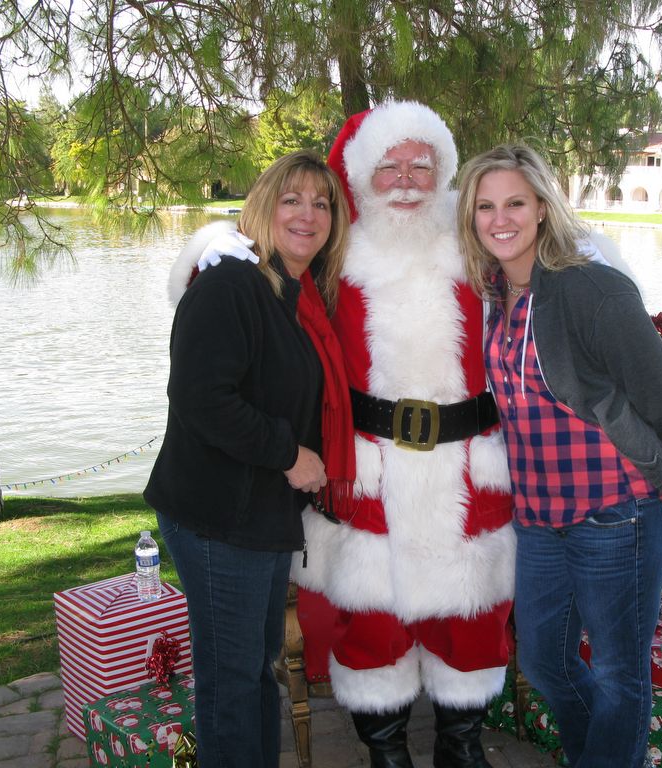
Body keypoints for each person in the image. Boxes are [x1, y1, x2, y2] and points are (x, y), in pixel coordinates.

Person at [196, 101, 515, 768]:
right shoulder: (336, 251)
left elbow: (542, 252)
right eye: (388, 166)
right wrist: (211, 247)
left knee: (472, 618)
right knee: (374, 621)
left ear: (443, 170)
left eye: (420, 165)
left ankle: (462, 747)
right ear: (363, 177)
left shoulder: (477, 239)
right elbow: (261, 275)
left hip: (467, 464)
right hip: (369, 465)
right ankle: (386, 753)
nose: (404, 179)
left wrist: (588, 251)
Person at [456, 143, 662, 768]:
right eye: (485, 206)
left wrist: (645, 471)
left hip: (616, 512)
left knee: (618, 673)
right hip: (539, 518)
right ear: (470, 217)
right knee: (543, 661)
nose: (499, 219)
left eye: (514, 203)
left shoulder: (592, 289)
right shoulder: (493, 295)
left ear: (541, 209)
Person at [143, 150, 352, 768]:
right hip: (217, 518)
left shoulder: (294, 292)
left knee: (255, 672)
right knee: (232, 681)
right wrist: (291, 455)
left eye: (321, 203)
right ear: (263, 207)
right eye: (292, 199)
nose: (307, 214)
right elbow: (202, 400)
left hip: (257, 518)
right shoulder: (231, 284)